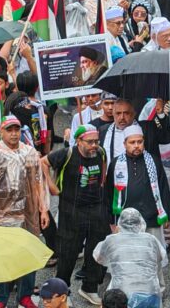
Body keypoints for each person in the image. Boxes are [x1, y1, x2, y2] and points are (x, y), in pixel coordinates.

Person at [0, 116, 47, 308]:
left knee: (27, 255)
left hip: (27, 215)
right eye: (10, 130)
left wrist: (43, 209)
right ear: (2, 132)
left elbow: (38, 183)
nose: (14, 134)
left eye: (17, 130)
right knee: (2, 258)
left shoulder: (30, 153)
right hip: (1, 217)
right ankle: (0, 298)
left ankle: (25, 295)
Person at [42, 124, 108, 306]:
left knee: (96, 250)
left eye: (96, 141)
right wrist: (52, 186)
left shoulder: (100, 152)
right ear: (79, 141)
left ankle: (90, 288)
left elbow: (103, 170)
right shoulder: (67, 154)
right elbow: (42, 162)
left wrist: (101, 184)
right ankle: (63, 291)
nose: (94, 145)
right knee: (68, 253)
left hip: (95, 207)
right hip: (71, 209)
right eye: (89, 142)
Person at [105, 126, 170, 243]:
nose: (136, 145)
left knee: (152, 251)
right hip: (125, 220)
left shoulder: (154, 161)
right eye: (132, 142)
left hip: (151, 218)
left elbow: (163, 188)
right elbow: (109, 192)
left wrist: (168, 214)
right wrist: (111, 219)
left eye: (140, 142)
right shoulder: (116, 163)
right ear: (124, 144)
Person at [93, 208, 167, 308]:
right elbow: (160, 257)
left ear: (120, 223)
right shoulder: (151, 239)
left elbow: (98, 257)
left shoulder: (112, 240)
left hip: (122, 295)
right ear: (140, 223)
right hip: (151, 293)